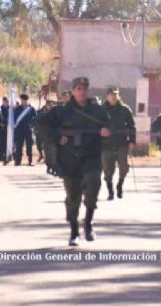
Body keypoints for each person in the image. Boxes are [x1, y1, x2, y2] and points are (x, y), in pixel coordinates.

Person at [51, 76, 111, 246]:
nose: (82, 92)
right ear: (73, 91)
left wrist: (106, 132)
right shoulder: (63, 112)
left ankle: (88, 222)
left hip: (91, 157)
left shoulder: (98, 111)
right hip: (70, 159)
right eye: (78, 89)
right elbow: (40, 124)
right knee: (73, 196)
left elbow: (110, 128)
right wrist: (57, 138)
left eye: (84, 88)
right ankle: (74, 231)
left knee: (93, 184)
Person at [102, 87, 136, 200]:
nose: (113, 97)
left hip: (121, 142)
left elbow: (132, 126)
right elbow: (95, 126)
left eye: (115, 94)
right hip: (106, 144)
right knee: (108, 169)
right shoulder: (101, 110)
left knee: (124, 167)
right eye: (111, 95)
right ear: (107, 96)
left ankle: (120, 185)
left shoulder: (125, 110)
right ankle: (110, 191)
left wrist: (132, 141)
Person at [12, 93, 36, 166]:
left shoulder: (31, 109)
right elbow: (15, 118)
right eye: (21, 100)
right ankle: (18, 161)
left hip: (28, 129)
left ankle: (30, 161)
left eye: (23, 100)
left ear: (26, 100)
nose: (22, 101)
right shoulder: (17, 109)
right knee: (19, 145)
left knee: (29, 145)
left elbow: (34, 118)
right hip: (19, 129)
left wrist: (32, 125)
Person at [0, 97, 10, 164]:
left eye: (6, 102)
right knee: (2, 143)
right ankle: (3, 157)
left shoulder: (10, 109)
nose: (5, 103)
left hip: (8, 129)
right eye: (4, 102)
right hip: (2, 129)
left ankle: (8, 157)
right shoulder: (0, 109)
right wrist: (0, 123)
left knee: (8, 144)